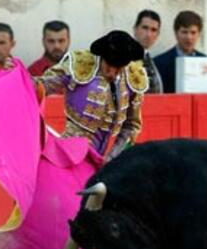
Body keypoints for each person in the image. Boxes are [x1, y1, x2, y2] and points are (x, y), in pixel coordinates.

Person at [35, 30, 147, 160]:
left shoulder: (133, 77)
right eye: (109, 66)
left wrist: (113, 157)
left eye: (119, 69)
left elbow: (131, 125)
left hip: (105, 157)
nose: (112, 74)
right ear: (102, 57)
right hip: (71, 153)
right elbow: (40, 86)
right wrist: (13, 72)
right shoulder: (81, 65)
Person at [154, 10, 207, 93]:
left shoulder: (205, 61)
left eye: (193, 33)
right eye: (184, 32)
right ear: (176, 33)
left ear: (199, 34)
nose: (189, 37)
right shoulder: (159, 63)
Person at [133, 9, 163, 93]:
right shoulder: (125, 58)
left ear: (157, 34)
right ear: (135, 29)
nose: (148, 34)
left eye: (153, 30)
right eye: (145, 28)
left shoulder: (149, 58)